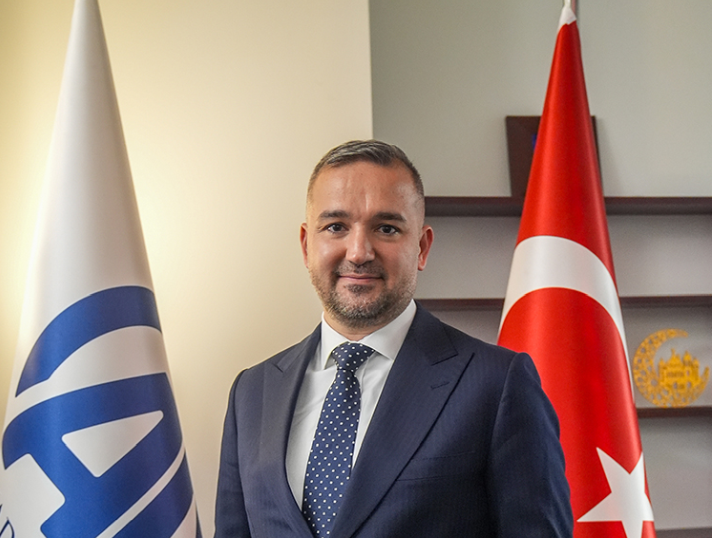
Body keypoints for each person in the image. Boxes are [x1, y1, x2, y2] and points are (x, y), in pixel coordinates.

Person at [214, 140, 573, 538]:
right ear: (306, 245)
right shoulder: (253, 392)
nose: (358, 252)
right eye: (335, 227)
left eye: (386, 228)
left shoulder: (498, 384)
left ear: (421, 247)